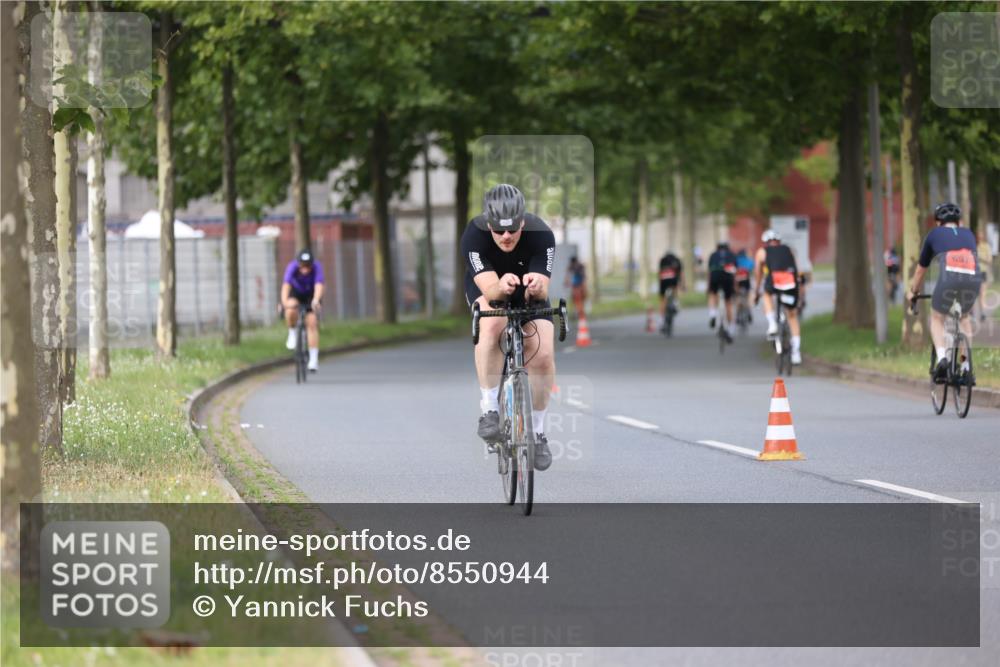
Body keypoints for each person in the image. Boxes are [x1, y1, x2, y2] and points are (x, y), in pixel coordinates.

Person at [461, 184, 557, 471]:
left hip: (527, 290)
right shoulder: (474, 236)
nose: (505, 236)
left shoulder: (541, 234)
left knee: (542, 355)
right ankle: (489, 409)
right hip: (488, 287)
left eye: (512, 230)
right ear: (488, 223)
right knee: (492, 324)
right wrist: (500, 287)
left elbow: (541, 290)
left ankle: (537, 432)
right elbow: (491, 291)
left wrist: (535, 288)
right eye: (498, 230)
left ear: (523, 222)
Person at [907, 202, 981, 382]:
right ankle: (965, 366)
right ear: (959, 221)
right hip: (973, 277)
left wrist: (913, 291)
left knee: (937, 318)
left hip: (949, 278)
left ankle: (942, 359)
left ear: (938, 222)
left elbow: (920, 270)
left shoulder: (933, 234)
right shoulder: (969, 234)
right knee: (964, 318)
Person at [754, 229, 803, 365]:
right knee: (792, 316)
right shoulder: (790, 250)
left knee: (767, 295)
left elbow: (758, 274)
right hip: (790, 281)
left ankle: (772, 324)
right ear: (779, 241)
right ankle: (796, 353)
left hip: (775, 280)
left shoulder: (762, 252)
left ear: (765, 242)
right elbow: (797, 270)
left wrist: (756, 291)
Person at [281, 249, 325, 372]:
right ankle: (292, 332)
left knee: (312, 322)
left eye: (308, 266)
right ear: (298, 263)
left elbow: (319, 285)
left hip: (311, 295)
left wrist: (316, 300)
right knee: (290, 309)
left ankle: (313, 359)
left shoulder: (317, 267)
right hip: (296, 293)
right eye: (302, 266)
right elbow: (286, 286)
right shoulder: (292, 267)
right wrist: (284, 303)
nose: (305, 269)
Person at [706, 241, 737, 340]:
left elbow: (709, 271)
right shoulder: (732, 255)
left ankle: (713, 314)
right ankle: (731, 329)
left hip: (715, 275)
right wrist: (735, 286)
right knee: (728, 303)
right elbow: (735, 272)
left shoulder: (713, 255)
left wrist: (708, 286)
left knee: (712, 294)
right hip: (727, 277)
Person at [657, 250, 683, 331]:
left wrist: (660, 283)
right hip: (673, 279)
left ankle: (661, 321)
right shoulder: (677, 260)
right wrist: (682, 285)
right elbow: (681, 274)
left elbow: (659, 272)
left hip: (663, 279)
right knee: (675, 288)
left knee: (662, 299)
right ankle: (676, 302)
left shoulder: (662, 260)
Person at [976, 227, 994, 322]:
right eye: (978, 236)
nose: (979, 238)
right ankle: (972, 313)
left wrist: (980, 259)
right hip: (975, 272)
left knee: (982, 293)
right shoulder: (975, 246)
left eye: (981, 236)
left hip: (983, 272)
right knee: (975, 293)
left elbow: (989, 260)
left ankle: (982, 313)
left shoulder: (986, 247)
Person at [735, 248, 755, 322]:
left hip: (737, 281)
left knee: (737, 297)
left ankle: (737, 315)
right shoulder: (749, 260)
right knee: (748, 295)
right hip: (746, 281)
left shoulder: (736, 260)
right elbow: (753, 268)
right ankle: (749, 312)